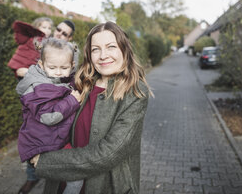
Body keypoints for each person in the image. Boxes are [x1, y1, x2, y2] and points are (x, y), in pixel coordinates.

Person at [31, 21, 153, 194]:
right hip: (64, 181)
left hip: (106, 185)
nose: (103, 55)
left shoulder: (135, 93)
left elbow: (108, 153)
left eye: (111, 47)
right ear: (89, 54)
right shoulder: (81, 84)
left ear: (124, 49)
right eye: (96, 49)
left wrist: (47, 161)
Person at [17, 19, 78, 194]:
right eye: (58, 29)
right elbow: (49, 117)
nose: (58, 71)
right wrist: (73, 100)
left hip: (52, 137)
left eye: (63, 68)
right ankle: (33, 178)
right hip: (43, 140)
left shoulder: (60, 70)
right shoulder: (42, 84)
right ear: (42, 65)